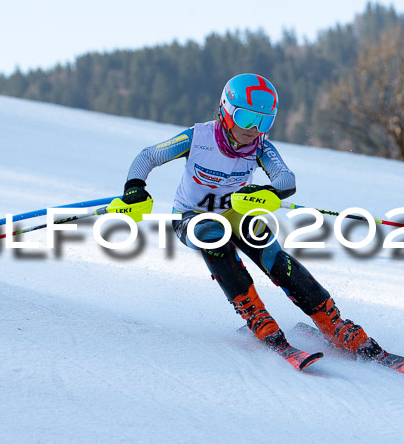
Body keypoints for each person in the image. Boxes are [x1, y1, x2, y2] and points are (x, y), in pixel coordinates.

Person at [120, 73, 382, 358]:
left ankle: (332, 323)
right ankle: (256, 315)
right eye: (245, 118)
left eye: (264, 121)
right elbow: (148, 156)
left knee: (274, 257)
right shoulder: (198, 137)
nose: (253, 129)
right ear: (225, 111)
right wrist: (135, 187)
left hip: (235, 213)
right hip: (190, 216)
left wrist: (269, 191)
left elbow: (286, 179)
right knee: (213, 234)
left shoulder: (261, 148)